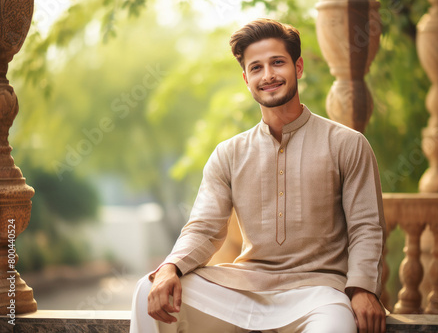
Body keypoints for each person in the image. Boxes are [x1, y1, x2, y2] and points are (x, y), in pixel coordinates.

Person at [131, 18, 387, 333]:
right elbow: (204, 229)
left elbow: (366, 227)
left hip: (319, 294)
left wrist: (362, 288)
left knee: (336, 326)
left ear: (299, 67)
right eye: (256, 68)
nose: (267, 76)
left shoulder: (347, 144)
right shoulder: (228, 153)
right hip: (244, 290)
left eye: (277, 63)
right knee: (148, 288)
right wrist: (170, 267)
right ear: (246, 78)